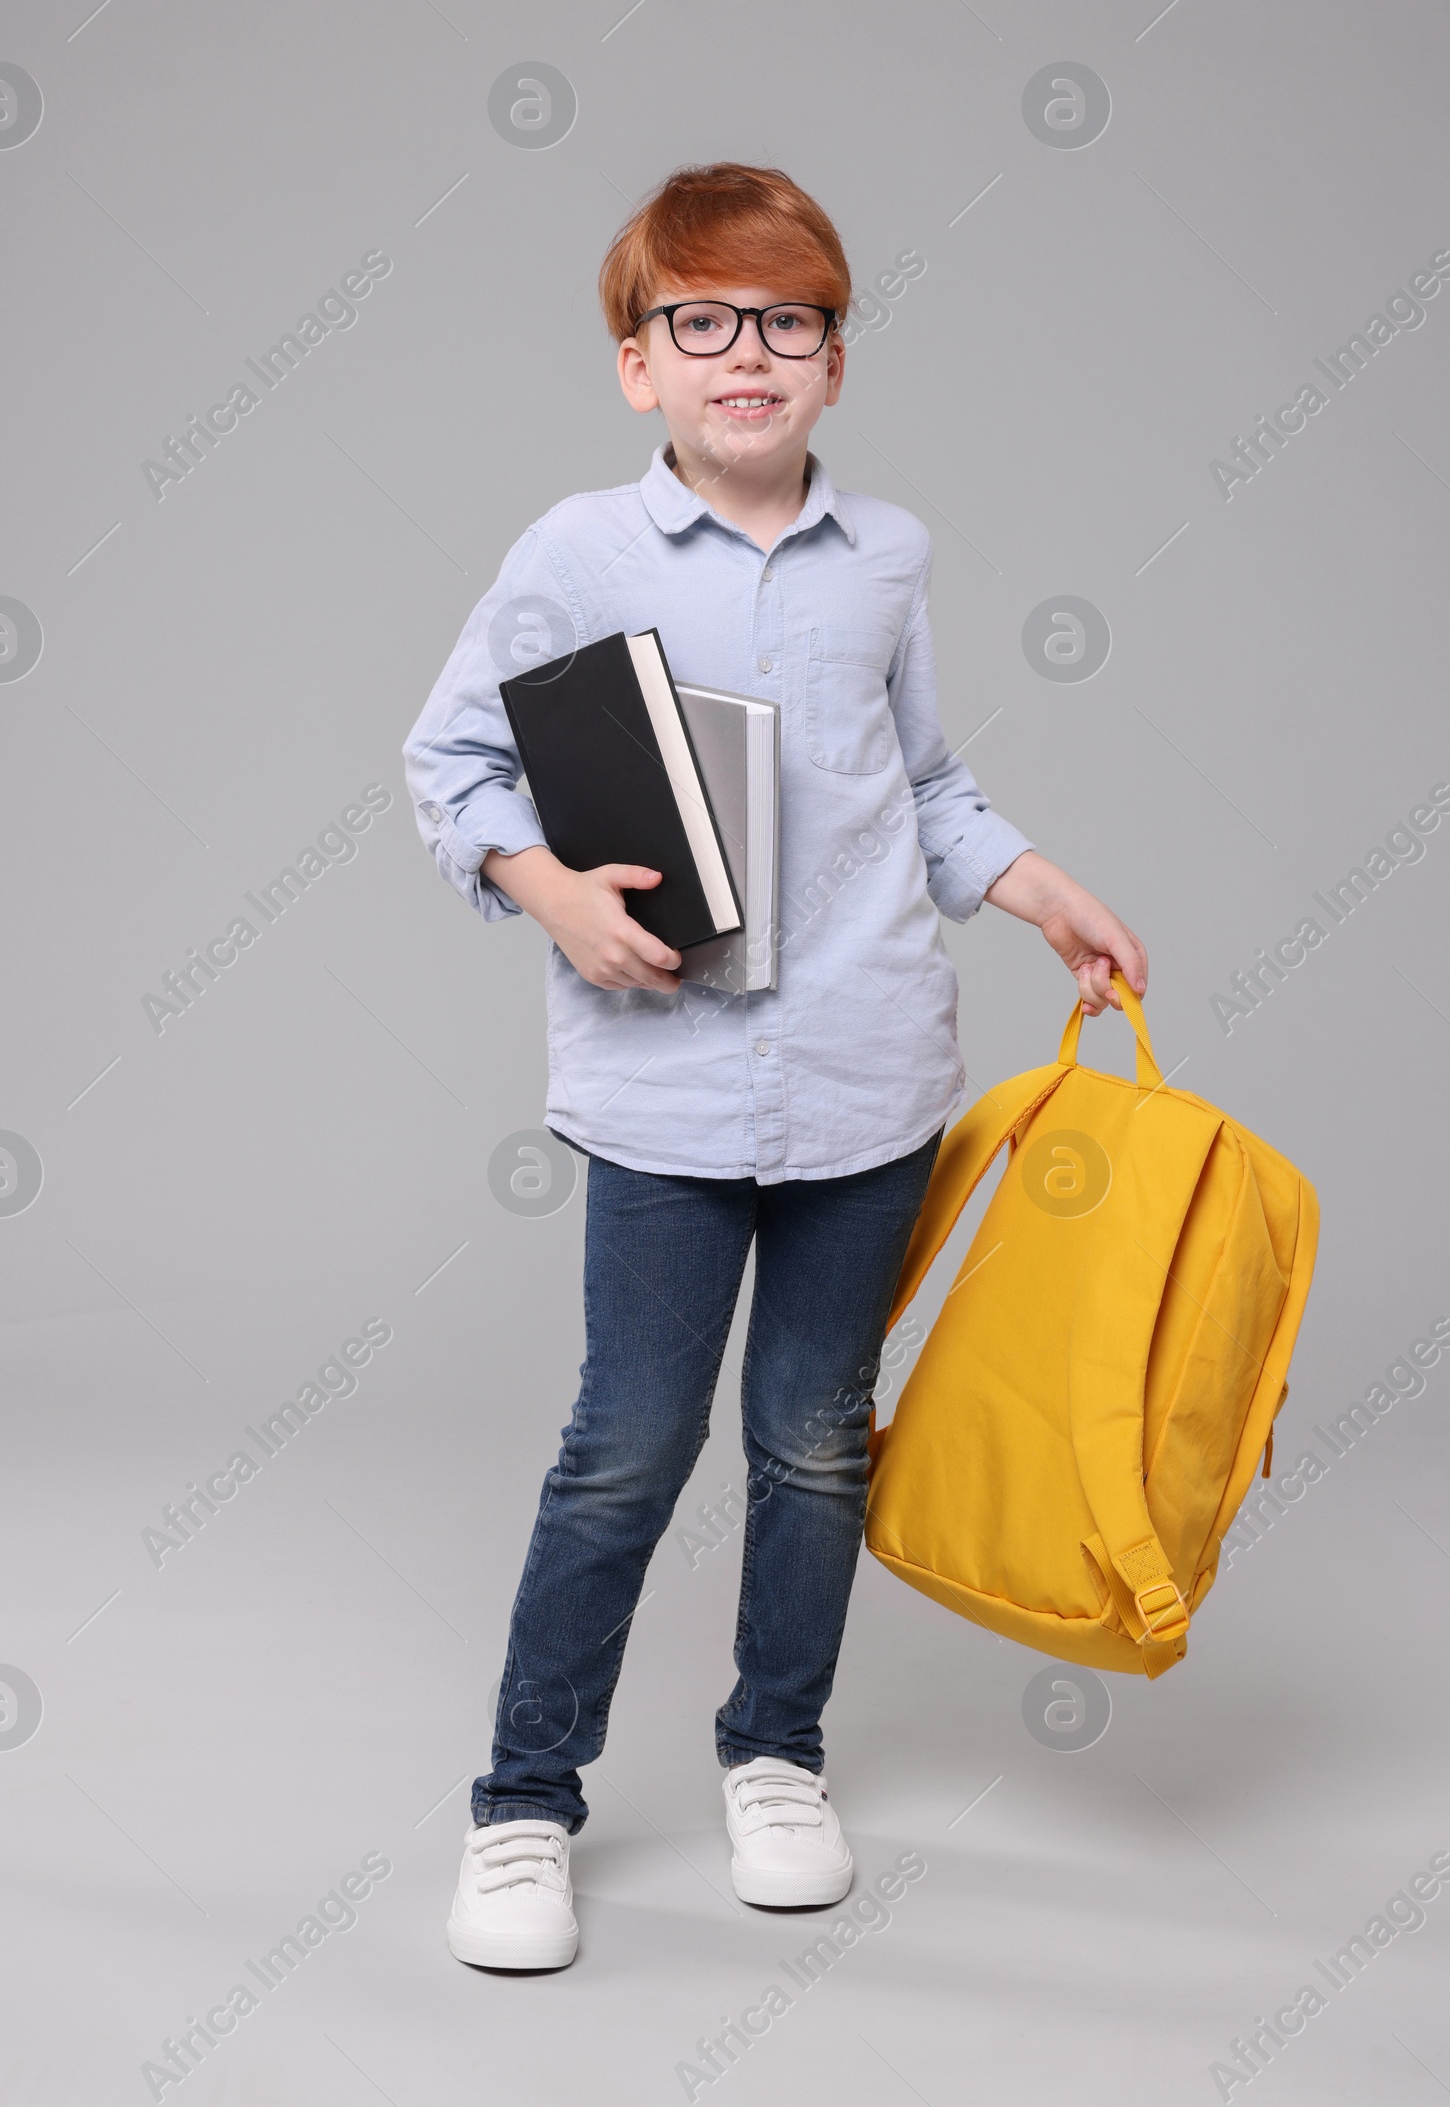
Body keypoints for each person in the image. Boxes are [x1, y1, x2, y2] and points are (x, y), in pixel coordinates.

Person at [402, 162, 1146, 1970]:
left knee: (816, 1446)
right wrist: (548, 891)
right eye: (704, 322)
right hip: (662, 1096)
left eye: (789, 321)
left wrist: (1038, 886)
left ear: (834, 358)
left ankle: (777, 1751)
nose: (749, 354)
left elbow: (933, 785)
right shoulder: (572, 554)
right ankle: (522, 1805)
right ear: (637, 361)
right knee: (626, 1450)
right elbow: (450, 768)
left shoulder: (887, 556)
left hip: (870, 1083)